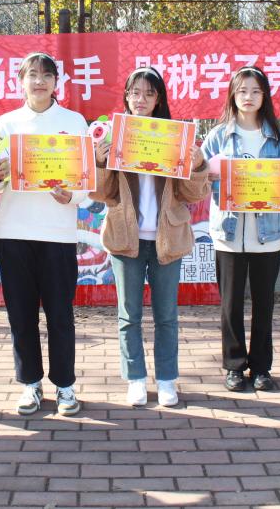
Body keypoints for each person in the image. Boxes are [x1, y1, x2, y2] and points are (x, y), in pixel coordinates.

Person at [89, 67, 209, 407]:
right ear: (126, 96)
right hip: (125, 238)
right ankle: (136, 379)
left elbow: (192, 194)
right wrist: (100, 163)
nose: (140, 99)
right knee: (129, 315)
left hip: (166, 238)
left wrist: (197, 165)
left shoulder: (175, 136)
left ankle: (167, 379)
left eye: (149, 94)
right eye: (135, 93)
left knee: (166, 315)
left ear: (159, 100)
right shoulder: (115, 136)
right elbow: (101, 193)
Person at [202, 66, 280, 393]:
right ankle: (234, 366)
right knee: (231, 305)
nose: (248, 97)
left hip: (268, 233)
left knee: (264, 304)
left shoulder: (277, 136)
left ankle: (262, 367)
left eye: (255, 91)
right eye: (242, 91)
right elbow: (199, 181)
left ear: (264, 96)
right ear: (232, 95)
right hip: (229, 233)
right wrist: (208, 175)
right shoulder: (218, 136)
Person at [0, 52, 89, 416]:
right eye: (32, 75)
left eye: (47, 75)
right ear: (20, 81)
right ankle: (29, 383)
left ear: (56, 82)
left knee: (60, 315)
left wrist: (71, 196)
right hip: (13, 232)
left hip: (57, 234)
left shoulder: (74, 122)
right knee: (21, 315)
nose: (39, 81)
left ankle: (65, 385)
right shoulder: (6, 124)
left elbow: (85, 182)